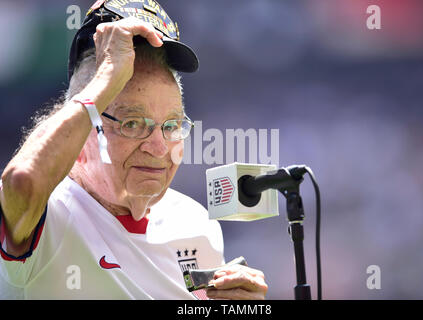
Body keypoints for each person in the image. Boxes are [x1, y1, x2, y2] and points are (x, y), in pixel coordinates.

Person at [0, 0, 267, 300]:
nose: (159, 147)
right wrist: (106, 79)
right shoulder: (50, 213)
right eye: (131, 124)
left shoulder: (196, 223)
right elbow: (21, 180)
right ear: (84, 131)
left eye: (171, 125)